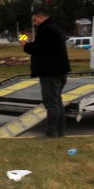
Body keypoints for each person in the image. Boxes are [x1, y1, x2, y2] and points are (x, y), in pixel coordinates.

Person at [20, 8, 71, 138]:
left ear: (41, 17)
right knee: (57, 103)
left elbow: (39, 49)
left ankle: (51, 133)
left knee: (51, 104)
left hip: (51, 73)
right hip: (60, 71)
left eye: (35, 20)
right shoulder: (55, 28)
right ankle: (60, 133)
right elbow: (46, 48)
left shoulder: (47, 30)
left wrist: (25, 45)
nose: (34, 23)